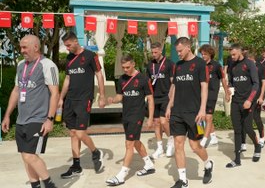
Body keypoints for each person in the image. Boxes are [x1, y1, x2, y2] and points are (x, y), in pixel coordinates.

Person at [1, 35, 59, 188]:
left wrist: (50, 119)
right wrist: (7, 115)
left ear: (36, 47)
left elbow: (55, 93)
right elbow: (16, 90)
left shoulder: (48, 65)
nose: (22, 50)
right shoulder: (21, 65)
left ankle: (49, 184)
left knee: (29, 155)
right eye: (21, 47)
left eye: (25, 47)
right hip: (22, 119)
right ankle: (36, 185)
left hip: (38, 119)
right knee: (25, 156)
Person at [165, 37, 213, 188]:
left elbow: (204, 87)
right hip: (177, 112)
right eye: (176, 51)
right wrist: (169, 106)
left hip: (194, 112)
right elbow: (174, 87)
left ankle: (208, 164)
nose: (178, 54)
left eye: (180, 51)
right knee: (178, 144)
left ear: (188, 47)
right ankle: (182, 180)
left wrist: (202, 109)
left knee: (195, 146)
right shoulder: (177, 66)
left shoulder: (200, 64)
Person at [59, 31, 106, 178]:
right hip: (70, 100)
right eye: (65, 46)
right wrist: (61, 98)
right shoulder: (69, 58)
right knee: (73, 133)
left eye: (68, 45)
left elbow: (99, 74)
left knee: (80, 132)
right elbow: (67, 79)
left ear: (75, 42)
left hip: (84, 99)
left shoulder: (90, 56)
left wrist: (102, 95)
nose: (67, 48)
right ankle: (76, 165)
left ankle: (95, 152)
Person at [106, 54, 155, 186]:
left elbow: (150, 99)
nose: (125, 70)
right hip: (126, 115)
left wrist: (150, 118)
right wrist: (112, 100)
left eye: (127, 67)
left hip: (137, 115)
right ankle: (149, 164)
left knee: (129, 144)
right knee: (136, 141)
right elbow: (119, 97)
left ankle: (122, 175)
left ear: (133, 64)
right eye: (123, 67)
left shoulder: (143, 79)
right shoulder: (121, 79)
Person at [226, 44, 262, 168]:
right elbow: (231, 80)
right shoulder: (232, 64)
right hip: (236, 101)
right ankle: (237, 159)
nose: (232, 57)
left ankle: (257, 146)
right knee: (237, 130)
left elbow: (256, 84)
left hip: (248, 101)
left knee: (248, 128)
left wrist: (250, 100)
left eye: (234, 54)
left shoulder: (249, 63)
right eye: (231, 55)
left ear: (240, 52)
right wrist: (229, 90)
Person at [146, 42, 175, 159]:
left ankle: (171, 140)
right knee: (156, 122)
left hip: (165, 97)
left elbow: (173, 82)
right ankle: (159, 148)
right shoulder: (149, 65)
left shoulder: (169, 64)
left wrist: (172, 98)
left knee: (164, 122)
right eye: (152, 52)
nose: (153, 54)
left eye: (156, 52)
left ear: (161, 51)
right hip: (154, 97)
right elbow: (148, 82)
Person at [198, 44, 230, 148]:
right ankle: (213, 137)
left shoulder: (216, 65)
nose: (203, 56)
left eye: (205, 54)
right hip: (201, 94)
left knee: (208, 116)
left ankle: (205, 139)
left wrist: (226, 92)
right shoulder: (200, 65)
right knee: (202, 116)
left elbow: (223, 79)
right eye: (202, 54)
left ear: (210, 54)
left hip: (212, 94)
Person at [247, 52, 265, 148]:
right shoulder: (245, 67)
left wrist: (261, 96)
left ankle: (262, 137)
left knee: (257, 117)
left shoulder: (260, 67)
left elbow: (263, 82)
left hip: (257, 96)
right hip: (247, 97)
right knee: (247, 119)